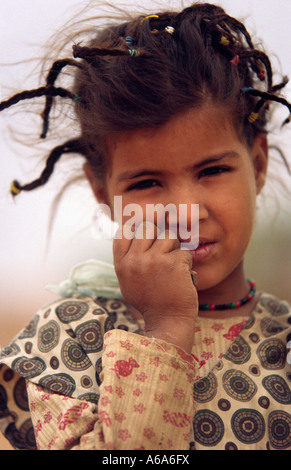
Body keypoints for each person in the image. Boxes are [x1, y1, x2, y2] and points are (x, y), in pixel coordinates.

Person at [0, 1, 291, 451]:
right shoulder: (67, 339)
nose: (186, 210)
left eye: (212, 171)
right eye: (148, 182)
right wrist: (166, 328)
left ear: (257, 164)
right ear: (102, 191)